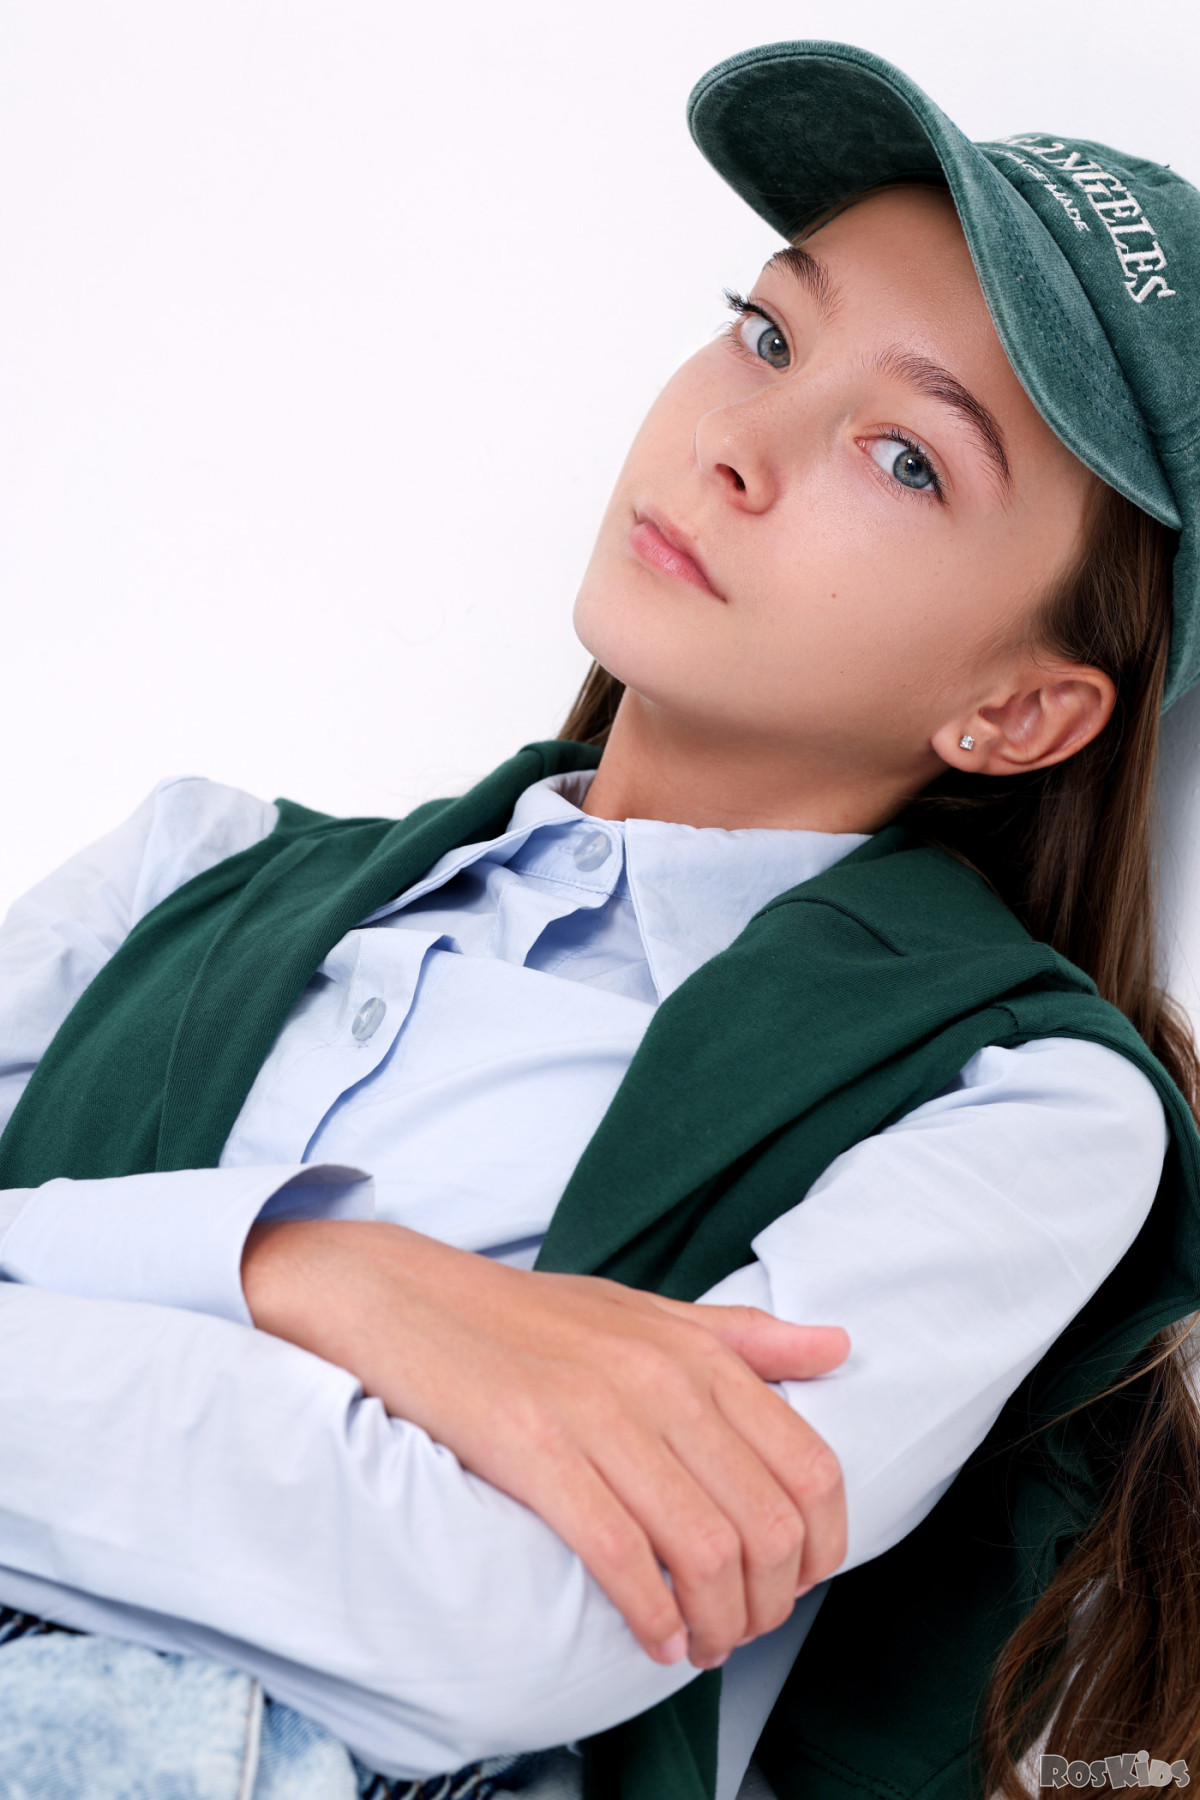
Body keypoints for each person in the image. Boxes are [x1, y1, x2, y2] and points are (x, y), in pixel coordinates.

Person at [1, 35, 1199, 1800]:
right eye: (769, 333)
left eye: (906, 457)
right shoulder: (195, 860)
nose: (737, 442)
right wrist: (316, 1272)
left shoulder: (1025, 1106)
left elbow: (499, 1614)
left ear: (1018, 711)